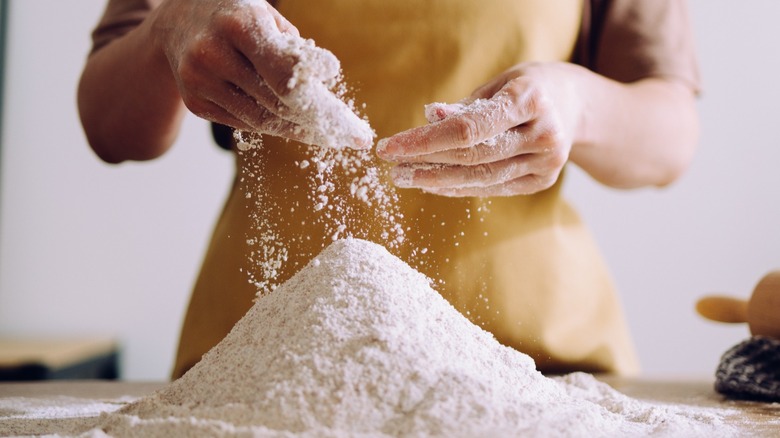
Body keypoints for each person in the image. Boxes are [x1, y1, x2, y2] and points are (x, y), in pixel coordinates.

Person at [78, 0, 700, 379]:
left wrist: (576, 105)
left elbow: (671, 133)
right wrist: (173, 27)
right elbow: (109, 126)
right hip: (264, 365)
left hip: (537, 366)